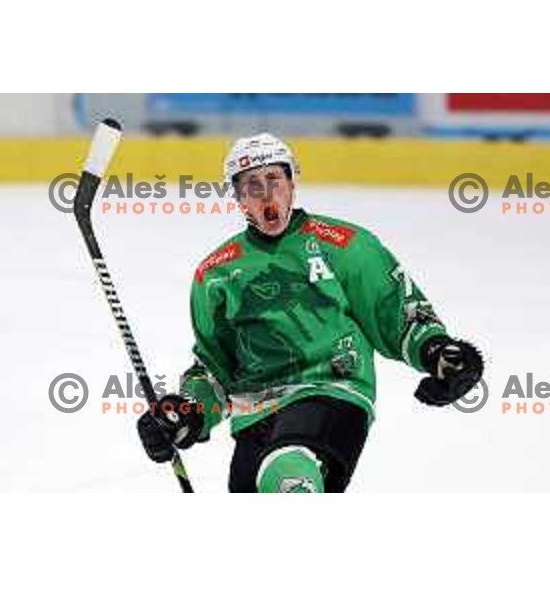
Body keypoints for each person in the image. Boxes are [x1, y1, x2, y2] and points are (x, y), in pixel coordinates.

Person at [137, 133, 484, 493]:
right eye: (252, 185)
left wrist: (437, 352)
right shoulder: (215, 274)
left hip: (332, 391)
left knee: (288, 470)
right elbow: (215, 369)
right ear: (238, 197)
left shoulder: (345, 245)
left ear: (292, 183)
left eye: (275, 180)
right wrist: (187, 412)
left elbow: (396, 313)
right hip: (254, 417)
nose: (266, 193)